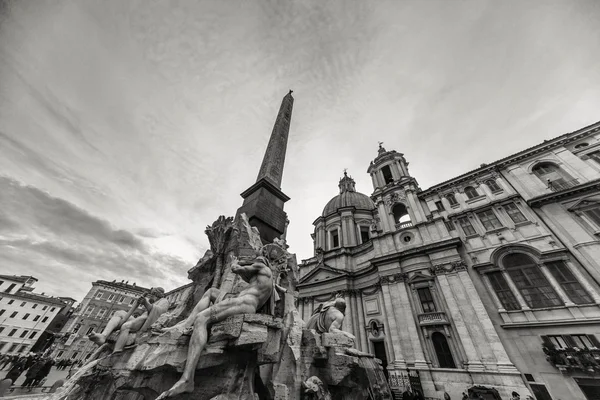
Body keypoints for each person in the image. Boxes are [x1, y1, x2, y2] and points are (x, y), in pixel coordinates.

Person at [155, 255, 276, 399]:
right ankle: (186, 325)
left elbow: (237, 269)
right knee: (211, 292)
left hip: (245, 303)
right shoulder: (258, 278)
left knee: (202, 319)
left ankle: (187, 379)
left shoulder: (262, 267)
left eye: (257, 259)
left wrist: (235, 262)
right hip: (240, 301)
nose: (256, 260)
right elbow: (245, 274)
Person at [88, 287, 168, 354]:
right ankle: (103, 336)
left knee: (126, 326)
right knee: (119, 313)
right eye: (152, 294)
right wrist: (144, 302)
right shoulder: (154, 302)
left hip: (147, 321)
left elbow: (160, 312)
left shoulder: (164, 301)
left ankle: (117, 350)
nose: (152, 296)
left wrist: (146, 303)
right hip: (141, 319)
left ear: (158, 295)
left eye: (153, 294)